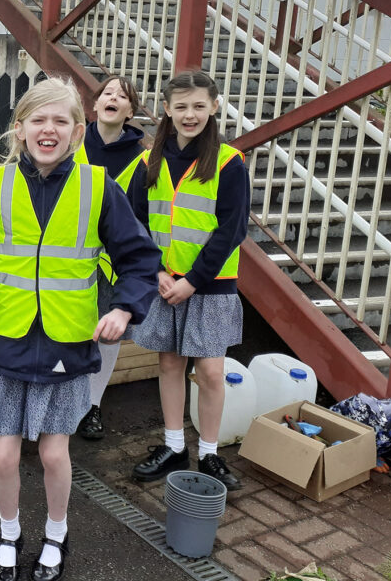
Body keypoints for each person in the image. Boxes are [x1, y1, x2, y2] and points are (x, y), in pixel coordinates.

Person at [0, 77, 159, 581]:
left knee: (56, 452)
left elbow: (139, 258)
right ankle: (10, 533)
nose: (49, 129)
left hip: (66, 340)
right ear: (18, 129)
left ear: (78, 133)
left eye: (61, 120)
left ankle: (56, 534)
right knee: (2, 452)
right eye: (38, 119)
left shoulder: (98, 187)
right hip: (4, 338)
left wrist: (125, 309)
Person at [127, 70, 250, 492]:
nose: (190, 114)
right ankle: (174, 445)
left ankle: (211, 454)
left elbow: (232, 229)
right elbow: (135, 223)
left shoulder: (229, 161)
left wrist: (193, 280)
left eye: (199, 106)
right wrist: (157, 272)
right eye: (181, 106)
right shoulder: (149, 160)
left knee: (211, 373)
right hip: (163, 282)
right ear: (166, 109)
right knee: (168, 363)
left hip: (209, 285)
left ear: (215, 107)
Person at [73, 75, 146, 441]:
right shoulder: (72, 142)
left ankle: (92, 406)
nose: (113, 97)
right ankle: (63, 400)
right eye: (107, 93)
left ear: (130, 111)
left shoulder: (144, 159)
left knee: (107, 338)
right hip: (68, 258)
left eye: (122, 95)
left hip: (112, 267)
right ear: (95, 104)